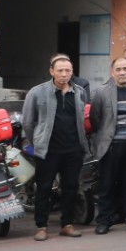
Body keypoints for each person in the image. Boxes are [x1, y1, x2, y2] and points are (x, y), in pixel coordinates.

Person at [20, 54, 91, 241]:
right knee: (44, 188)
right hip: (48, 150)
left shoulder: (79, 92)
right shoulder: (37, 92)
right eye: (60, 70)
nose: (64, 74)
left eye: (68, 71)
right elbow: (27, 122)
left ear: (72, 72)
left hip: (73, 149)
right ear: (51, 71)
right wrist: (37, 143)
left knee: (71, 187)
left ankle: (67, 224)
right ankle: (41, 226)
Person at [91, 56, 126, 233]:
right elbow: (95, 119)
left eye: (125, 69)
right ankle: (104, 220)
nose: (122, 72)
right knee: (107, 185)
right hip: (110, 146)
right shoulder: (101, 92)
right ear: (112, 72)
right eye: (118, 69)